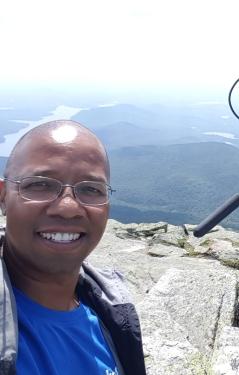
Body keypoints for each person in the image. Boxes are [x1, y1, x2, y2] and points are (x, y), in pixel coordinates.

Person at [0, 120, 146, 375]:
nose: (68, 208)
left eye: (91, 189)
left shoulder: (112, 312)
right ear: (3, 197)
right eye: (40, 184)